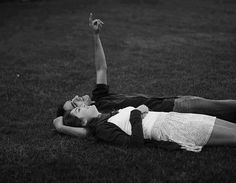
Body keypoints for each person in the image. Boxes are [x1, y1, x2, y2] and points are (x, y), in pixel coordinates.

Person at [53, 13, 236, 137]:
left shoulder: (100, 98)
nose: (76, 97)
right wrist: (62, 127)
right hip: (174, 112)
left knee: (222, 108)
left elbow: (101, 68)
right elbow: (86, 133)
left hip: (172, 100)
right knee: (221, 109)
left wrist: (96, 35)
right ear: (80, 118)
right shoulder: (98, 122)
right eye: (75, 104)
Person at [55, 104, 236, 152]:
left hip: (172, 118)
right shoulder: (103, 129)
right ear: (84, 123)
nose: (84, 106)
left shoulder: (107, 115)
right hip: (170, 128)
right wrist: (136, 114)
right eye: (79, 110)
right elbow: (135, 144)